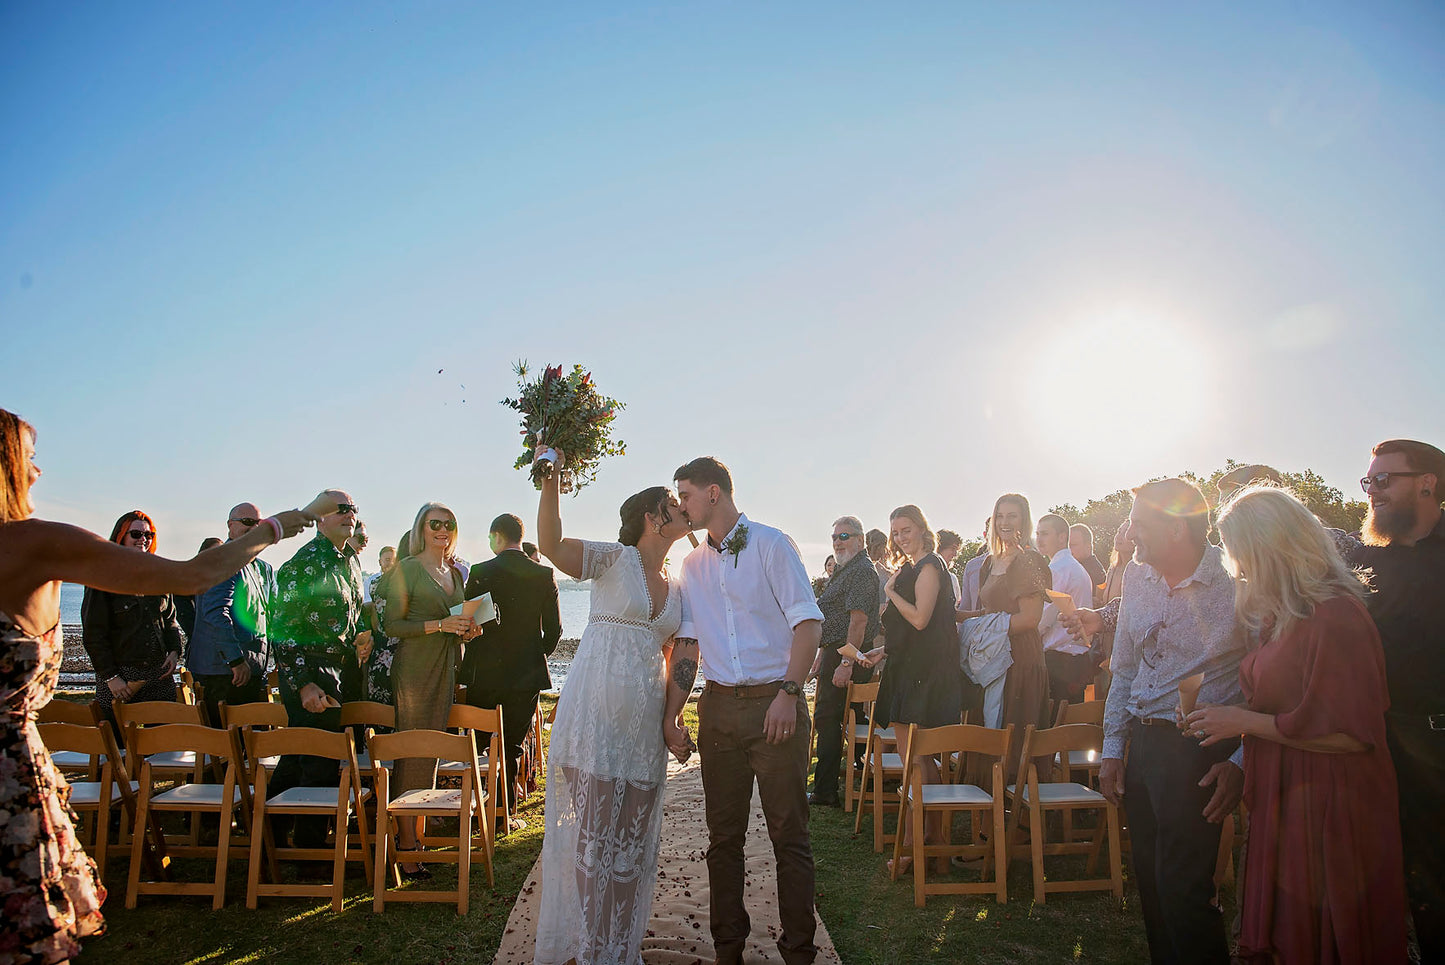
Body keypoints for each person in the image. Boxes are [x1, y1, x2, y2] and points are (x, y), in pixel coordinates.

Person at [0, 409, 314, 963]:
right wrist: (279, 525)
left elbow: (176, 610)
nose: (39, 470)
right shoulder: (33, 544)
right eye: (28, 456)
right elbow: (191, 575)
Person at [1187, 486, 1407, 964]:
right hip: (1286, 792)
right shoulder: (1283, 618)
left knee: (1327, 935)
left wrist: (1242, 722)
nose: (1236, 569)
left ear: (1272, 548)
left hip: (1332, 804)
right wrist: (1242, 756)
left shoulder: (1336, 616)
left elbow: (1352, 735)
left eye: (1241, 555)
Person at [531, 448, 692, 964]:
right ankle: (590, 942)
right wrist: (551, 477)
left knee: (631, 844)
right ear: (652, 517)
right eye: (673, 502)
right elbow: (551, 543)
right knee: (593, 840)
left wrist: (672, 718)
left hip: (643, 724)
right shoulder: (611, 559)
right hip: (595, 718)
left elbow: (674, 654)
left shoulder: (678, 588)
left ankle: (619, 946)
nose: (681, 509)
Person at [674, 456, 823, 965]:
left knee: (789, 834)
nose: (680, 505)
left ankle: (799, 950)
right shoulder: (691, 566)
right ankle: (728, 950)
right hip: (716, 710)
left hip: (775, 705)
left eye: (686, 495)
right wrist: (674, 716)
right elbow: (689, 646)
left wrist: (789, 692)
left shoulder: (772, 544)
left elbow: (809, 625)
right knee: (723, 838)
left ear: (713, 493)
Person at [1099, 478, 1247, 965]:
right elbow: (1124, 669)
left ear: (1177, 531)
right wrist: (1115, 750)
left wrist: (1243, 760)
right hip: (1142, 744)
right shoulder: (1137, 577)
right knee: (1153, 886)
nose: (1129, 530)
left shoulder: (1236, 584)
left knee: (1185, 890)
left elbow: (1273, 682)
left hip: (1196, 751)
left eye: (1140, 522)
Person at [1330, 438, 1445, 959]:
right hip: (1375, 744)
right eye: (1367, 482)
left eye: (1384, 480)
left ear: (1428, 483)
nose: (1372, 491)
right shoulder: (1360, 558)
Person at [270, 491, 373, 851]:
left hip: (341, 669)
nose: (350, 514)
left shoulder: (350, 560)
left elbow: (352, 614)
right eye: (341, 509)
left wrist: (363, 636)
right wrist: (303, 684)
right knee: (315, 761)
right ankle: (308, 852)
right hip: (309, 670)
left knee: (308, 755)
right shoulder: (303, 563)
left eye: (353, 509)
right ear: (321, 518)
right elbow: (281, 630)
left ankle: (268, 832)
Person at [383, 503, 472, 878]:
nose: (443, 529)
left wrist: (469, 629)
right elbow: (392, 625)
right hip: (416, 670)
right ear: (421, 528)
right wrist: (440, 625)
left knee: (433, 750)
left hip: (445, 668)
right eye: (435, 523)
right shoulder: (408, 569)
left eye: (449, 523)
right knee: (413, 751)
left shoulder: (453, 571)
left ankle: (417, 834)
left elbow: (460, 619)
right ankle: (405, 844)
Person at [875, 505, 962, 873]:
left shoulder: (928, 567)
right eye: (895, 532)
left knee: (917, 759)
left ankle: (914, 847)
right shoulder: (912, 568)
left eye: (906, 529)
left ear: (922, 529)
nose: (899, 537)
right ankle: (935, 845)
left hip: (923, 674)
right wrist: (879, 651)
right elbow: (908, 631)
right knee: (920, 758)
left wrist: (891, 592)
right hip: (907, 667)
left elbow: (922, 619)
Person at [462, 512, 563, 814]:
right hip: (526, 672)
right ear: (521, 537)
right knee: (512, 745)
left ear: (496, 535)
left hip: (485, 670)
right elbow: (555, 630)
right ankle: (504, 809)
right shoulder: (543, 574)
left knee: (480, 741)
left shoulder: (481, 570)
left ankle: (476, 805)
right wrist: (535, 654)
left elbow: (470, 621)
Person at [961, 494, 1051, 779]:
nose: (1004, 522)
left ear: (1024, 519)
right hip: (989, 656)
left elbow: (1030, 618)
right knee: (987, 727)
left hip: (1019, 658)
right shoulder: (990, 562)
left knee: (1013, 728)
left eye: (1011, 516)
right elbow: (986, 611)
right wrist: (953, 618)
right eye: (1000, 516)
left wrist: (989, 627)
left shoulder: (1030, 561)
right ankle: (985, 797)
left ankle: (1016, 805)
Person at [81, 510, 185, 732]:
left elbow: (170, 621)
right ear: (121, 536)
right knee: (119, 750)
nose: (143, 540)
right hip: (121, 678)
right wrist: (111, 678)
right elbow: (93, 634)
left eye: (148, 535)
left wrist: (175, 652)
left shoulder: (160, 574)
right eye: (136, 534)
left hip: (159, 675)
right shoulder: (102, 578)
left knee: (165, 744)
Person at [807, 515, 880, 807]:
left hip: (846, 656)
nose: (838, 542)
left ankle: (825, 792)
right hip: (835, 652)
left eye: (844, 536)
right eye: (835, 537)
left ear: (860, 540)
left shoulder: (862, 570)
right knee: (838, 721)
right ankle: (857, 779)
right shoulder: (844, 568)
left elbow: (858, 622)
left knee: (828, 720)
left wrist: (846, 664)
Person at [188, 503, 276, 727]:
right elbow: (216, 613)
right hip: (224, 673)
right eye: (247, 522)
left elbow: (272, 615)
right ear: (230, 526)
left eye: (259, 524)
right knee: (228, 749)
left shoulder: (264, 568)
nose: (253, 528)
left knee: (254, 746)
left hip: (253, 671)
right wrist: (235, 660)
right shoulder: (223, 561)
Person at [1036, 513, 1097, 705]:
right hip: (1073, 659)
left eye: (1045, 533)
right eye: (1037, 533)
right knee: (1068, 725)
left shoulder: (1059, 568)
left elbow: (1044, 615)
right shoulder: (1074, 566)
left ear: (1062, 537)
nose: (1039, 539)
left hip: (1060, 661)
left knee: (1054, 727)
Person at [174, 537, 222, 639]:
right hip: (201, 641)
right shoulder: (189, 580)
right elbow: (183, 612)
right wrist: (198, 633)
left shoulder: (228, 580)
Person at [957, 518, 990, 614]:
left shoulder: (1016, 562)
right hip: (977, 626)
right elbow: (965, 606)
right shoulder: (972, 566)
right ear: (985, 535)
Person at [1069, 523, 1107, 600]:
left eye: (1073, 545)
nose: (1068, 549)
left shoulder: (1095, 572)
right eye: (1067, 545)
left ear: (1088, 546)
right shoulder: (1075, 566)